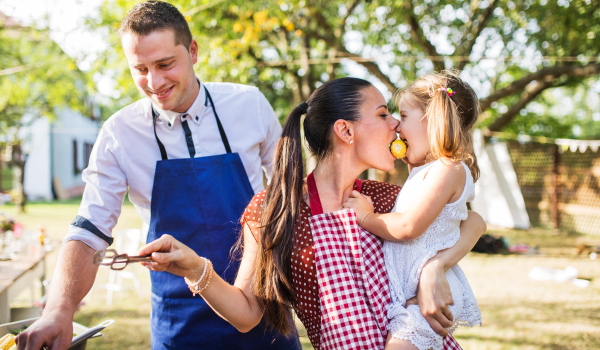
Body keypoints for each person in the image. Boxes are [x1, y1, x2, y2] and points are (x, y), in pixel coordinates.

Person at [16, 0, 301, 350]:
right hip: (179, 322)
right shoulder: (118, 133)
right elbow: (89, 229)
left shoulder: (250, 105)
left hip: (263, 308)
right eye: (140, 69)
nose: (154, 82)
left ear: (193, 51)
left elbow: (292, 199)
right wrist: (58, 310)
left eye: (165, 64)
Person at [138, 77, 487, 349]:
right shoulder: (273, 211)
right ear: (345, 130)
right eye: (383, 114)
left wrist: (435, 268)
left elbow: (472, 221)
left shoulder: (385, 200)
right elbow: (246, 314)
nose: (396, 124)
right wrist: (196, 268)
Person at [345, 71, 483, 350]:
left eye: (404, 117)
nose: (396, 127)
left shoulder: (448, 169)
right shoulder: (425, 170)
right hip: (408, 293)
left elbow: (409, 227)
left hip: (427, 296)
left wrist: (367, 217)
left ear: (434, 121)